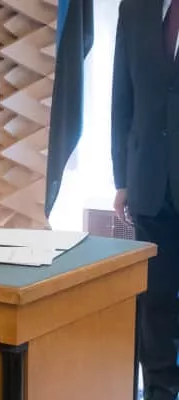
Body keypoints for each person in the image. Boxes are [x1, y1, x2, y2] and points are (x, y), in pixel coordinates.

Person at [112, 0, 179, 398]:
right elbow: (121, 97)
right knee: (154, 305)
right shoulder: (134, 8)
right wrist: (122, 178)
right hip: (149, 183)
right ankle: (159, 392)